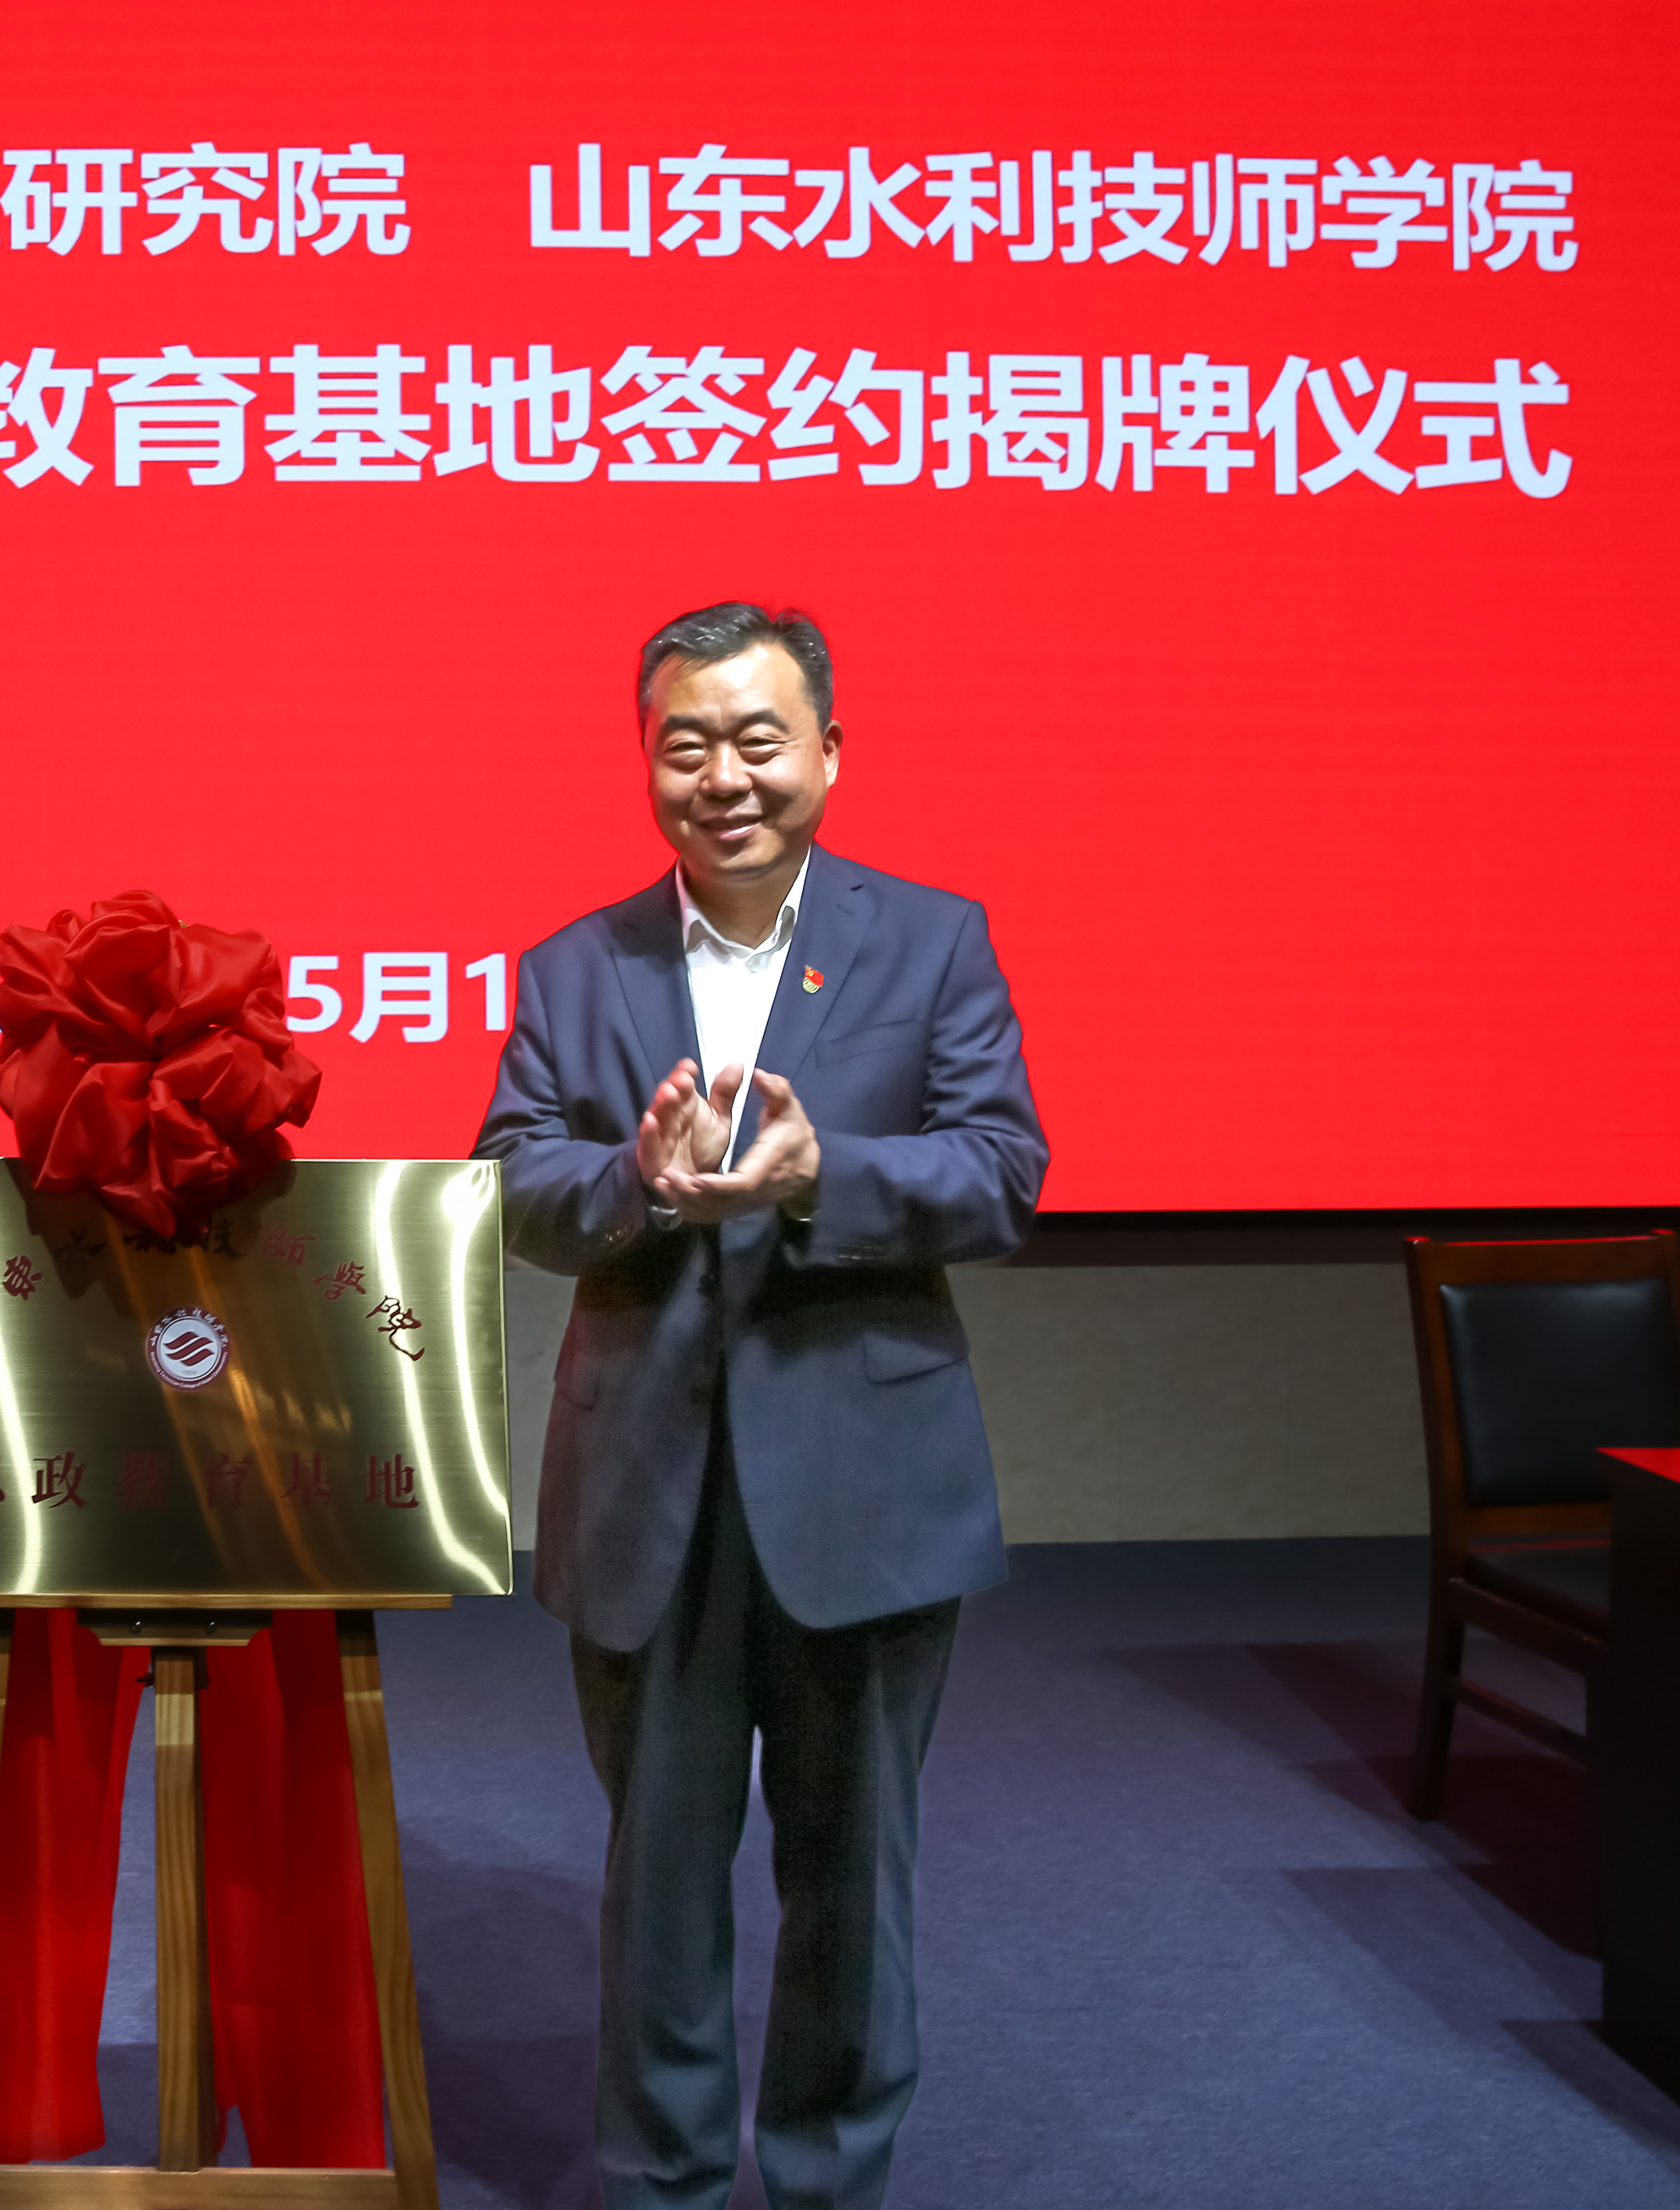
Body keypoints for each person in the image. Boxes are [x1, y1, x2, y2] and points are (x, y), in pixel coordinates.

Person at [474, 604, 1047, 2210]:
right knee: (658, 1881)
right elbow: (510, 1182)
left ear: (828, 753)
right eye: (685, 745)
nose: (722, 777)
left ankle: (827, 2179)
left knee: (852, 1877)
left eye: (756, 739)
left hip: (865, 1486)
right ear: (646, 761)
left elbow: (1001, 1170)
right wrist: (633, 1182)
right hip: (645, 1488)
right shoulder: (575, 965)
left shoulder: (931, 940)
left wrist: (821, 1176)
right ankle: (660, 2182)